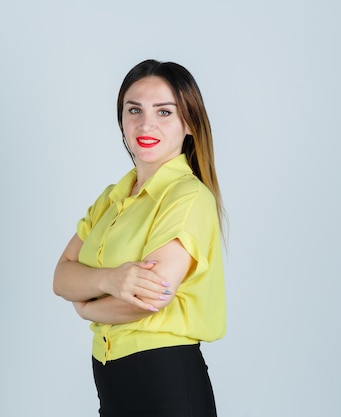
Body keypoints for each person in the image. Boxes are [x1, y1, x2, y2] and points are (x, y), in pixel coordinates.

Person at [53, 59, 226, 417]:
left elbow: (147, 299)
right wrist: (112, 280)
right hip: (110, 378)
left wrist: (86, 305)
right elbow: (60, 277)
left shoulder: (188, 198)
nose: (146, 124)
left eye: (164, 112)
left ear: (189, 123)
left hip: (165, 380)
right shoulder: (112, 197)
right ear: (122, 119)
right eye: (135, 110)